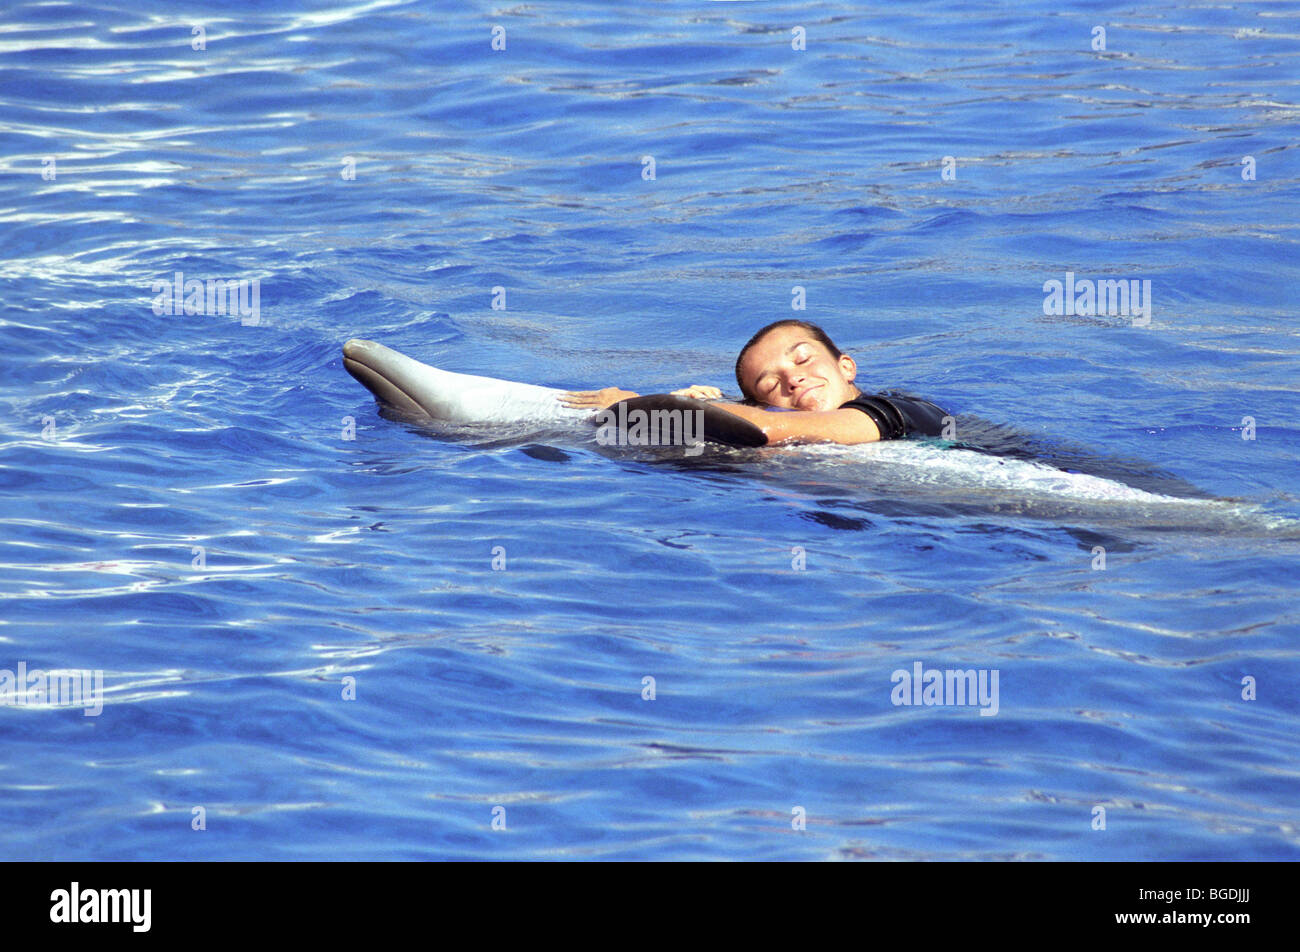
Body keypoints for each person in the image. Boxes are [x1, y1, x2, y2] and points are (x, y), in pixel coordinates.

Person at [559, 319, 951, 446]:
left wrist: (635, 404)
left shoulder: (898, 411)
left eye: (803, 358)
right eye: (769, 383)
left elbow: (765, 428)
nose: (793, 378)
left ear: (847, 367)